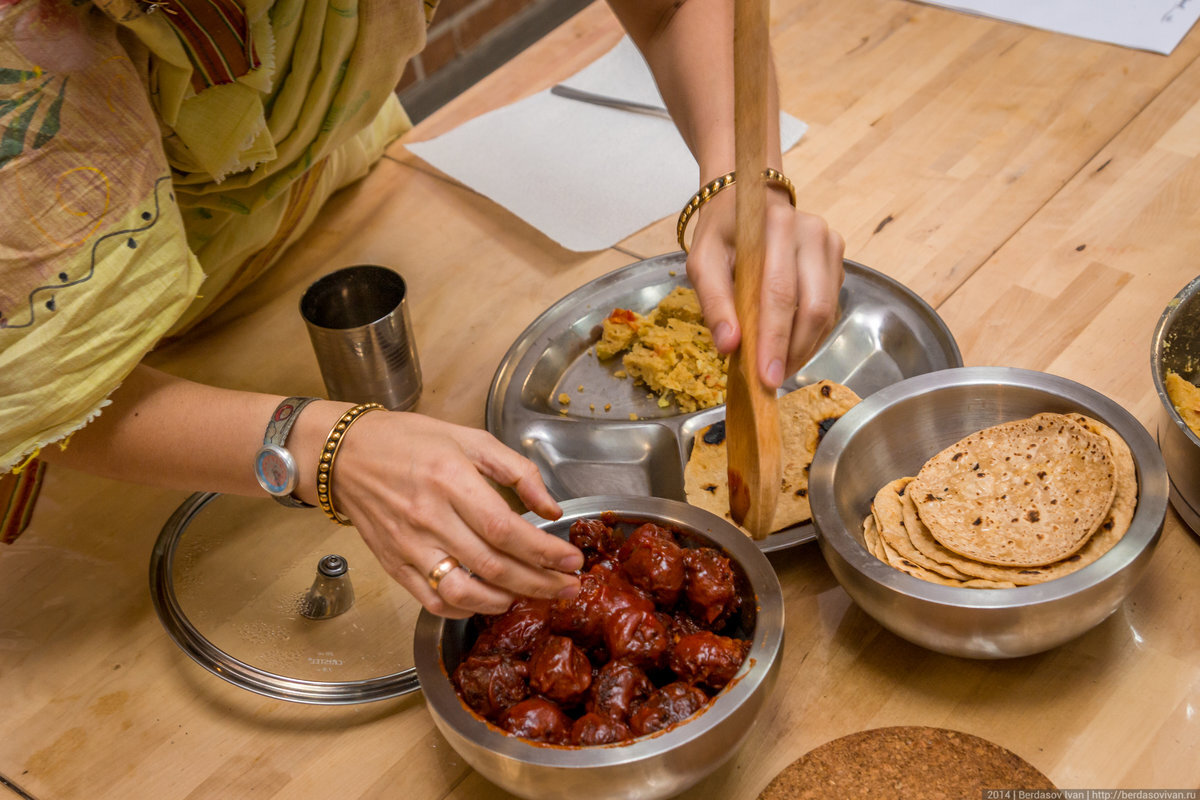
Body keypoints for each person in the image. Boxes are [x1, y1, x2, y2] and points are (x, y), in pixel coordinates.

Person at [0, 0, 844, 619]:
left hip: (327, 202)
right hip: (79, 372)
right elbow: (37, 387)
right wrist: (323, 445)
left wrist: (743, 175)